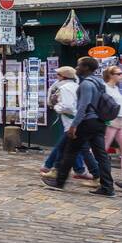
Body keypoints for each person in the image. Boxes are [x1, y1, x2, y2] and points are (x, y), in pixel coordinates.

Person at [43, 56, 115, 196]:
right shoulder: (99, 82)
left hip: (87, 122)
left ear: (86, 68)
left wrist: (74, 126)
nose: (76, 68)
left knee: (70, 151)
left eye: (79, 65)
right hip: (99, 123)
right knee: (101, 156)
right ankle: (107, 188)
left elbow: (83, 106)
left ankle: (59, 182)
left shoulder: (86, 84)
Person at [41, 66, 99, 180]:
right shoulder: (76, 86)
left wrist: (56, 107)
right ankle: (66, 170)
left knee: (79, 149)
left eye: (58, 75)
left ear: (62, 76)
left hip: (72, 123)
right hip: (77, 122)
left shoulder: (65, 88)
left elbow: (67, 107)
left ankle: (97, 174)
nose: (56, 77)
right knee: (67, 147)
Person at [102, 64, 122, 181]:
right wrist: (107, 120)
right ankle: (96, 174)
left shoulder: (116, 88)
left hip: (121, 120)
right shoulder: (105, 88)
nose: (121, 75)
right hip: (111, 121)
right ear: (110, 75)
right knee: (103, 148)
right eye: (118, 74)